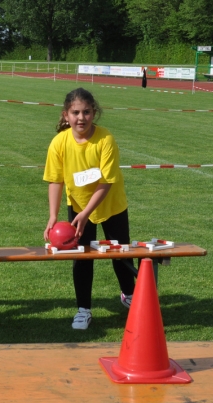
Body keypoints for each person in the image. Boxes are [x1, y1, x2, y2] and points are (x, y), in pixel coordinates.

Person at [43, 88, 136, 330]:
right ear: (65, 115)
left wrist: (87, 214)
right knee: (82, 259)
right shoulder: (59, 143)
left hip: (112, 205)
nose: (81, 118)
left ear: (94, 113)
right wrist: (53, 216)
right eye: (75, 113)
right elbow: (55, 180)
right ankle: (83, 309)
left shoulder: (106, 140)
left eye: (86, 112)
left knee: (121, 254)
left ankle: (130, 295)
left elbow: (106, 182)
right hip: (78, 207)